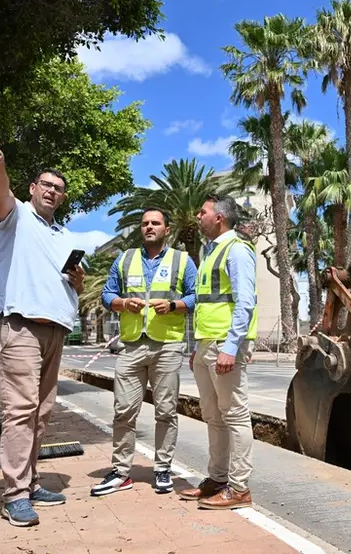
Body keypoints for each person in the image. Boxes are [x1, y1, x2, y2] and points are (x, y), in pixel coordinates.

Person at [0, 143, 85, 527]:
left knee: (41, 413)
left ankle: (32, 481)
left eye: (58, 187)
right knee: (20, 411)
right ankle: (15, 495)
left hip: (55, 329)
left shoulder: (65, 235)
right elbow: (0, 191)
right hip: (19, 325)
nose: (52, 190)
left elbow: (72, 284)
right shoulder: (16, 215)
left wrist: (78, 279)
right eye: (46, 184)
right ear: (33, 188)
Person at [91, 207, 197, 496]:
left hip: (167, 345)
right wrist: (123, 303)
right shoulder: (124, 259)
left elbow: (195, 296)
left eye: (155, 223)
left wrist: (174, 306)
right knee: (123, 410)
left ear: (167, 228)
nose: (149, 227)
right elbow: (107, 295)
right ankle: (121, 472)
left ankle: (162, 469)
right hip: (131, 344)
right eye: (145, 223)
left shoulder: (182, 261)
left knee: (166, 411)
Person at [178, 194, 257, 510]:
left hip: (225, 345)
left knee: (235, 415)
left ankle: (239, 489)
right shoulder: (212, 253)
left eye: (203, 211)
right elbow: (207, 304)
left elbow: (244, 302)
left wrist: (230, 347)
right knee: (213, 416)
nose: (198, 216)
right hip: (207, 344)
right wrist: (197, 347)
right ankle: (218, 478)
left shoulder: (237, 251)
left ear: (220, 217)